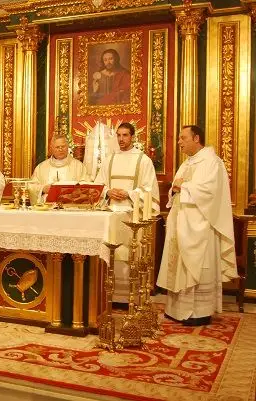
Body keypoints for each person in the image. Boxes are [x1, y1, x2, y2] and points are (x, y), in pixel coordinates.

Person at [157, 125, 237, 326]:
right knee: (179, 267)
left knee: (199, 266)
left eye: (183, 138)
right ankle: (176, 309)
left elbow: (210, 192)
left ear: (196, 138)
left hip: (200, 226)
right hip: (181, 223)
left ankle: (199, 312)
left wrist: (182, 186)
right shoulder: (187, 163)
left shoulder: (212, 162)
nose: (179, 142)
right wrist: (175, 189)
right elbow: (175, 189)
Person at [95, 122, 159, 302]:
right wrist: (108, 192)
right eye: (119, 135)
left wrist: (129, 194)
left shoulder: (143, 160)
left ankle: (131, 297)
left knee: (131, 254)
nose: (121, 139)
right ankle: (110, 296)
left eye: (125, 135)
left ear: (133, 137)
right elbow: (98, 185)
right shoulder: (109, 159)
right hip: (110, 216)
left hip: (132, 217)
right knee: (111, 253)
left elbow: (150, 190)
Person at [30, 134, 89, 204]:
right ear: (51, 148)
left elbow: (86, 186)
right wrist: (43, 189)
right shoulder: (41, 167)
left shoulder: (79, 166)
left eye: (63, 146)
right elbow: (31, 186)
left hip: (71, 207)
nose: (60, 149)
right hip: (46, 207)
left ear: (67, 147)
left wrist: (76, 191)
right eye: (57, 147)